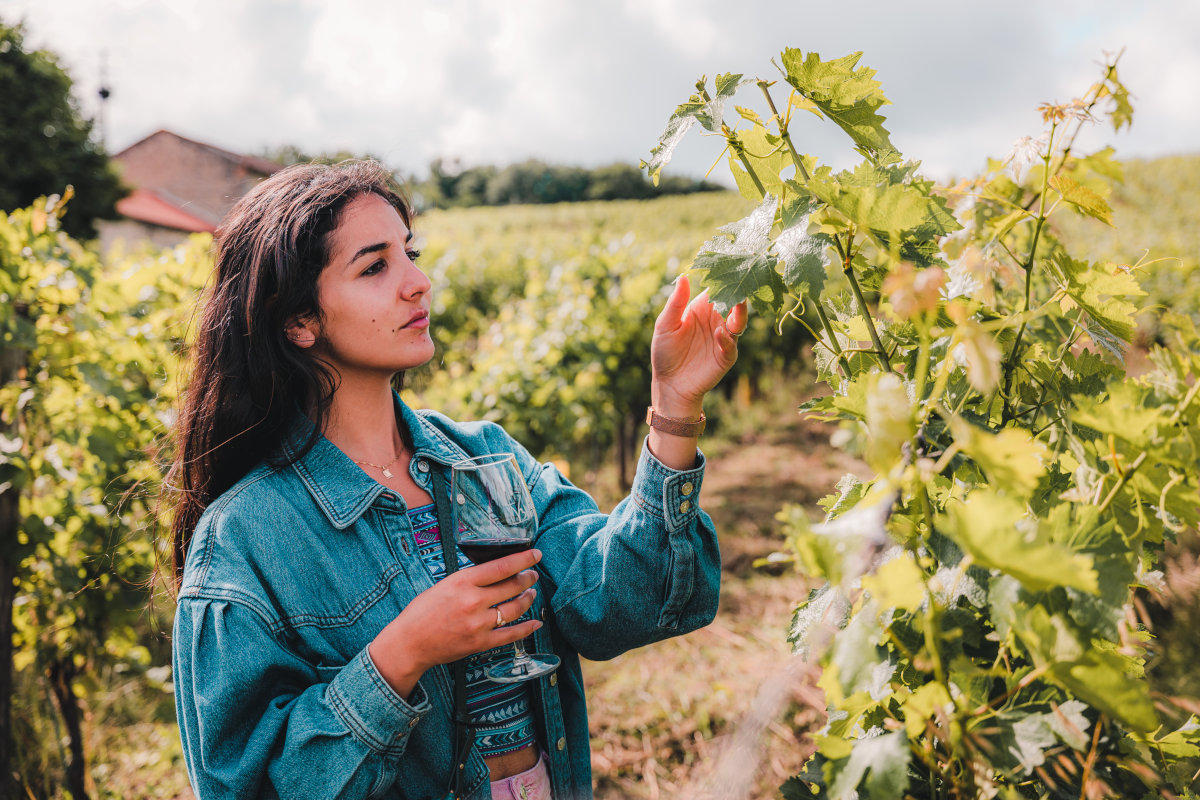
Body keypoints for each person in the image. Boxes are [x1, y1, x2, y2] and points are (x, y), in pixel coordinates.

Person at [167, 160, 748, 800]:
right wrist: (401, 655)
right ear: (299, 321)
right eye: (375, 266)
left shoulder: (485, 456)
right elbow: (243, 784)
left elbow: (620, 606)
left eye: (409, 255)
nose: (418, 283)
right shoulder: (247, 536)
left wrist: (675, 407)